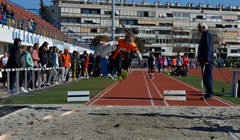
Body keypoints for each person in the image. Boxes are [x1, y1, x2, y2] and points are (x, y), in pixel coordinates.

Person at [197, 22, 215, 100]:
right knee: (205, 77)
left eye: (199, 28)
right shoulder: (204, 35)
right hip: (204, 60)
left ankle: (210, 94)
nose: (198, 30)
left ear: (203, 27)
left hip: (207, 60)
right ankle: (208, 93)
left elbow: (208, 48)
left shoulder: (207, 35)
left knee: (207, 77)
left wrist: (207, 59)